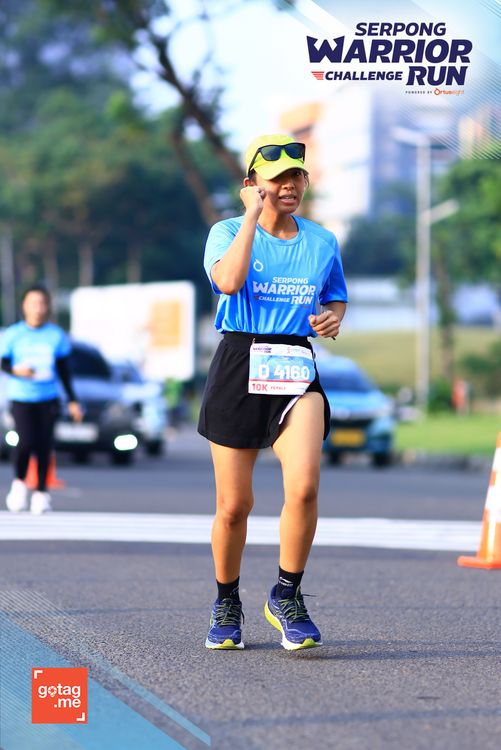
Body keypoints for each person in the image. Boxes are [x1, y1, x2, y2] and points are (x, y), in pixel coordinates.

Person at [198, 134, 348, 650]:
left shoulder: (322, 241)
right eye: (277, 177)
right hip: (240, 359)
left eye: (296, 176)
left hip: (295, 364)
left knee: (304, 487)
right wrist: (249, 218)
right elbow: (229, 282)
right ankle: (227, 601)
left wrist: (332, 318)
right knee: (234, 505)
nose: (289, 185)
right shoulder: (225, 232)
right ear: (252, 184)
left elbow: (335, 298)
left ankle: (287, 595)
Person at [1, 285, 82, 514]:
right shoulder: (13, 334)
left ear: (47, 307)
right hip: (22, 397)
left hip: (48, 398)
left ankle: (41, 493)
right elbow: (3, 362)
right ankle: (19, 484)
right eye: (33, 303)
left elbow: (64, 371)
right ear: (24, 306)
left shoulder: (55, 336)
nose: (38, 308)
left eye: (42, 303)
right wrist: (16, 371)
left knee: (45, 445)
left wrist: (73, 401)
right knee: (26, 442)